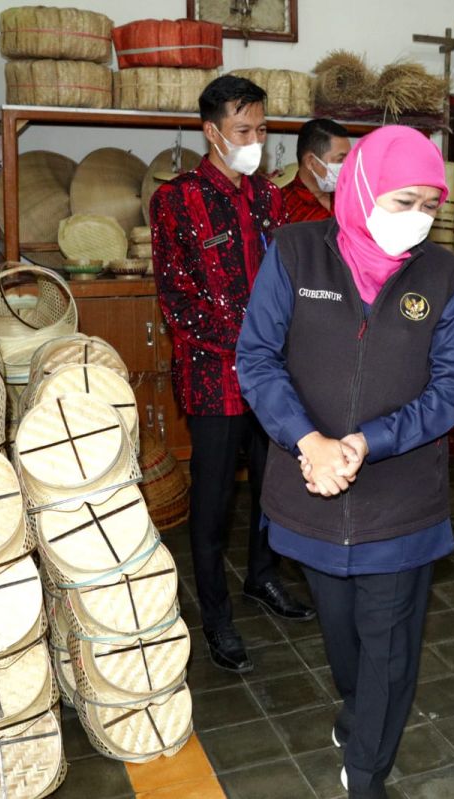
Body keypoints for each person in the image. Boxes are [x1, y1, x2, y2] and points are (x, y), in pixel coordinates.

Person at [236, 126, 454, 799]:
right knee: (344, 636)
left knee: (389, 644)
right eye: (404, 201)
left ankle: (367, 767)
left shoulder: (444, 276)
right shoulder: (295, 254)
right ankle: (360, 712)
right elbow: (257, 358)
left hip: (399, 499)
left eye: (430, 207)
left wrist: (369, 440)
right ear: (364, 187)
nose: (417, 220)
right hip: (310, 487)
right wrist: (309, 442)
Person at [150, 74, 314, 676]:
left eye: (263, 129)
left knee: (274, 486)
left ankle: (262, 579)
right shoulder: (176, 200)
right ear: (212, 131)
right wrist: (248, 348)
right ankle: (215, 613)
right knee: (214, 503)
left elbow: (289, 283)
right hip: (214, 377)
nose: (257, 140)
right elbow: (178, 300)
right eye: (244, 130)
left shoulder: (269, 198)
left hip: (272, 379)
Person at [280, 118, 352, 223]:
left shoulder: (350, 197)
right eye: (340, 160)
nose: (347, 166)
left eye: (349, 159)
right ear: (311, 162)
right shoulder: (282, 206)